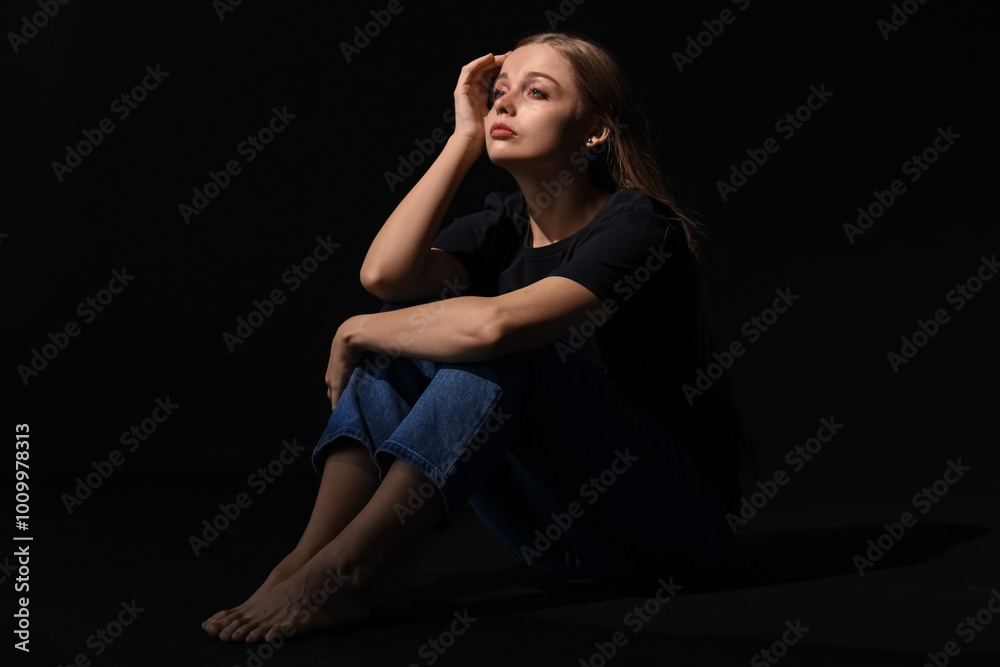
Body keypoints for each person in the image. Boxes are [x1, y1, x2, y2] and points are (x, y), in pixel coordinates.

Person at [202, 31, 751, 644]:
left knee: (495, 344)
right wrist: (462, 139)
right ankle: (306, 559)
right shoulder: (502, 225)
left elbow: (495, 326)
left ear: (596, 130)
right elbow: (386, 274)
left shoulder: (638, 223)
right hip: (553, 540)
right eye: (499, 93)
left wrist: (355, 328)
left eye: (536, 93)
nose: (506, 106)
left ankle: (345, 572)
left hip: (669, 531)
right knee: (403, 327)